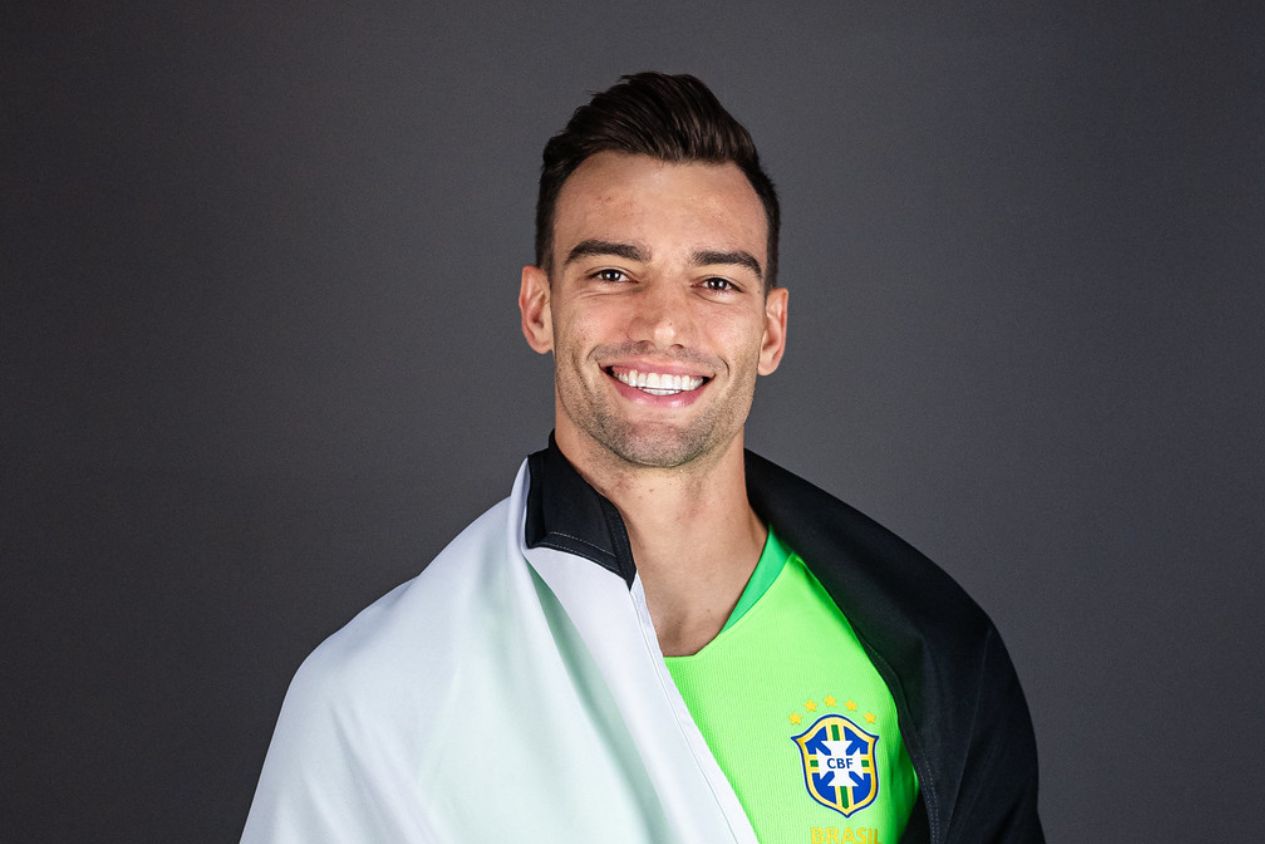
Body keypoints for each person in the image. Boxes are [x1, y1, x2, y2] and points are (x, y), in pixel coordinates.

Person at [242, 72, 1043, 844]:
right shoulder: (379, 698)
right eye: (613, 273)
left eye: (716, 283)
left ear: (771, 331)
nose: (662, 324)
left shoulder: (932, 658)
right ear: (539, 308)